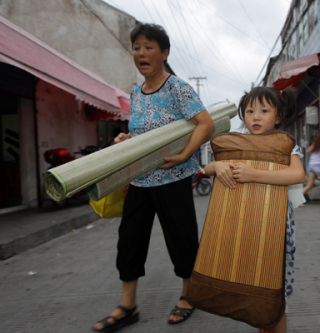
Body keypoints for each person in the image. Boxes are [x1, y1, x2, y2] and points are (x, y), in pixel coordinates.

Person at [92, 23, 215, 332]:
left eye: (149, 47)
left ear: (164, 53)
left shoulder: (177, 88)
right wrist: (125, 140)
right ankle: (127, 305)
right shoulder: (136, 93)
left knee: (182, 238)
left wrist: (187, 154)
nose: (141, 53)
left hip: (173, 178)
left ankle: (188, 296)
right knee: (129, 241)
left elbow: (205, 123)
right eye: (137, 47)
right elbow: (141, 134)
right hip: (139, 180)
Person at [204, 87, 305, 333]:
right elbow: (204, 170)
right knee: (253, 281)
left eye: (264, 110)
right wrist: (217, 165)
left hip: (275, 226)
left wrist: (254, 174)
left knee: (275, 293)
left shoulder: (285, 145)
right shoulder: (234, 143)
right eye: (250, 111)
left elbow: (297, 174)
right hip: (243, 224)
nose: (256, 116)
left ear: (278, 117)